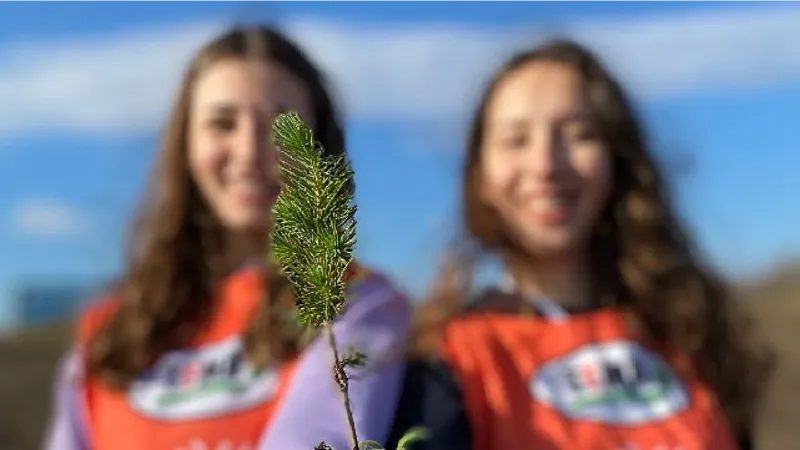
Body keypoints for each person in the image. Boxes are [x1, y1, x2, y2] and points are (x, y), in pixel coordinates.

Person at [387, 39, 773, 450]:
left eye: (578, 134)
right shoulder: (447, 358)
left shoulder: (691, 332)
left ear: (616, 158)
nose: (545, 166)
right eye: (516, 140)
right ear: (480, 177)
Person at [43, 24, 411, 450]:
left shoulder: (354, 303)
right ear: (184, 145)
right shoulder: (108, 332)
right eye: (222, 123)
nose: (250, 152)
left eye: (281, 126)